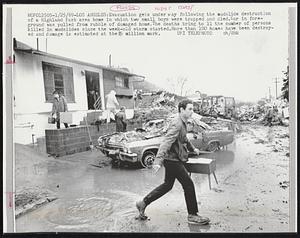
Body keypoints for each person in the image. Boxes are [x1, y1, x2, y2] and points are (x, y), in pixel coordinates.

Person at [136, 99, 210, 225]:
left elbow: (184, 138)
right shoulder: (177, 123)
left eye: (193, 109)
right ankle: (192, 215)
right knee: (188, 184)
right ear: (182, 110)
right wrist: (158, 161)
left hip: (173, 159)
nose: (192, 112)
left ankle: (143, 203)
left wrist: (193, 149)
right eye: (190, 109)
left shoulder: (183, 122)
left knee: (167, 185)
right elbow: (166, 142)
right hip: (172, 160)